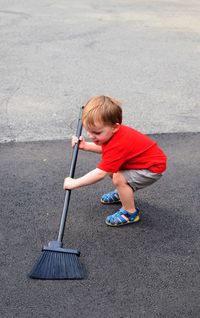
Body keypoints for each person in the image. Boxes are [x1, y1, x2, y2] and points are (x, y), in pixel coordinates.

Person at [64, 96, 167, 227]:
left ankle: (130, 213)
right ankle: (123, 193)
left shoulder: (118, 143)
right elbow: (107, 150)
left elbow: (100, 173)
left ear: (115, 127)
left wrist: (75, 183)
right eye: (88, 131)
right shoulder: (113, 134)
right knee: (114, 170)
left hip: (151, 169)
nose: (91, 136)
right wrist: (86, 146)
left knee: (118, 178)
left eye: (96, 132)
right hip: (141, 163)